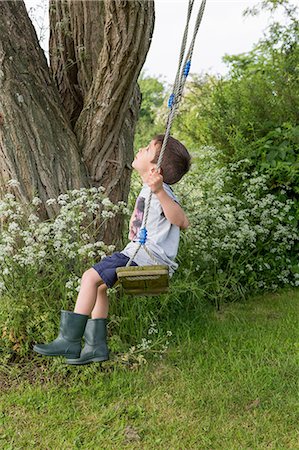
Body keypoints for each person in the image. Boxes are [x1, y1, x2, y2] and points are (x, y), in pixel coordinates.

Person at [33, 134, 191, 365]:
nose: (140, 148)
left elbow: (182, 221)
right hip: (139, 255)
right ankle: (96, 347)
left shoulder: (161, 191)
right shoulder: (151, 190)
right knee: (98, 288)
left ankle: (69, 339)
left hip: (146, 259)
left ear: (156, 169)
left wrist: (159, 192)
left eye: (147, 148)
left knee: (89, 277)